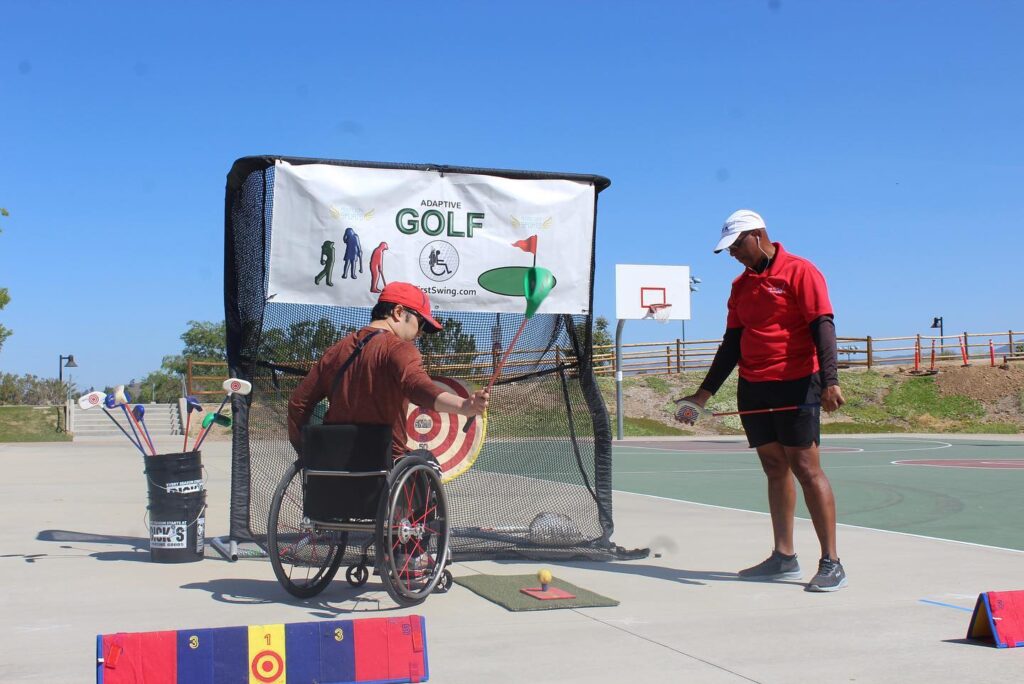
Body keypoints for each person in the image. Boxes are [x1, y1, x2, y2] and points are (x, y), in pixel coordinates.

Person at [677, 209, 847, 592]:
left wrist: (830, 381)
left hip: (797, 382)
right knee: (774, 467)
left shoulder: (801, 271)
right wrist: (703, 395)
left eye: (737, 245)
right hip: (754, 385)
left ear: (757, 235)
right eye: (729, 248)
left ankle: (832, 562)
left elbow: (823, 324)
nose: (733, 253)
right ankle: (784, 557)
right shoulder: (740, 286)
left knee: (806, 468)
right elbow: (732, 344)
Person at [287, 281, 488, 458]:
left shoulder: (335, 351)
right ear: (398, 312)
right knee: (427, 462)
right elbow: (418, 387)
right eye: (421, 323)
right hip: (383, 467)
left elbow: (298, 404)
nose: (420, 333)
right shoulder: (399, 348)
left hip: (330, 464)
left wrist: (306, 454)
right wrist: (463, 405)